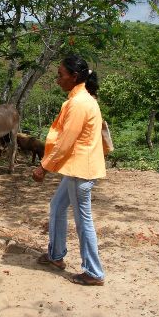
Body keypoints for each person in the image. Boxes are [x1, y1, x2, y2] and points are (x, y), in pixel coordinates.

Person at [32, 54, 107, 286]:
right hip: (77, 168)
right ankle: (56, 256)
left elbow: (65, 141)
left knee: (83, 220)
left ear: (74, 77)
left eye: (60, 75)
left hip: (81, 170)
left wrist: (44, 167)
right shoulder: (80, 100)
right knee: (57, 206)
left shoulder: (79, 103)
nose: (57, 80)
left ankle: (94, 272)